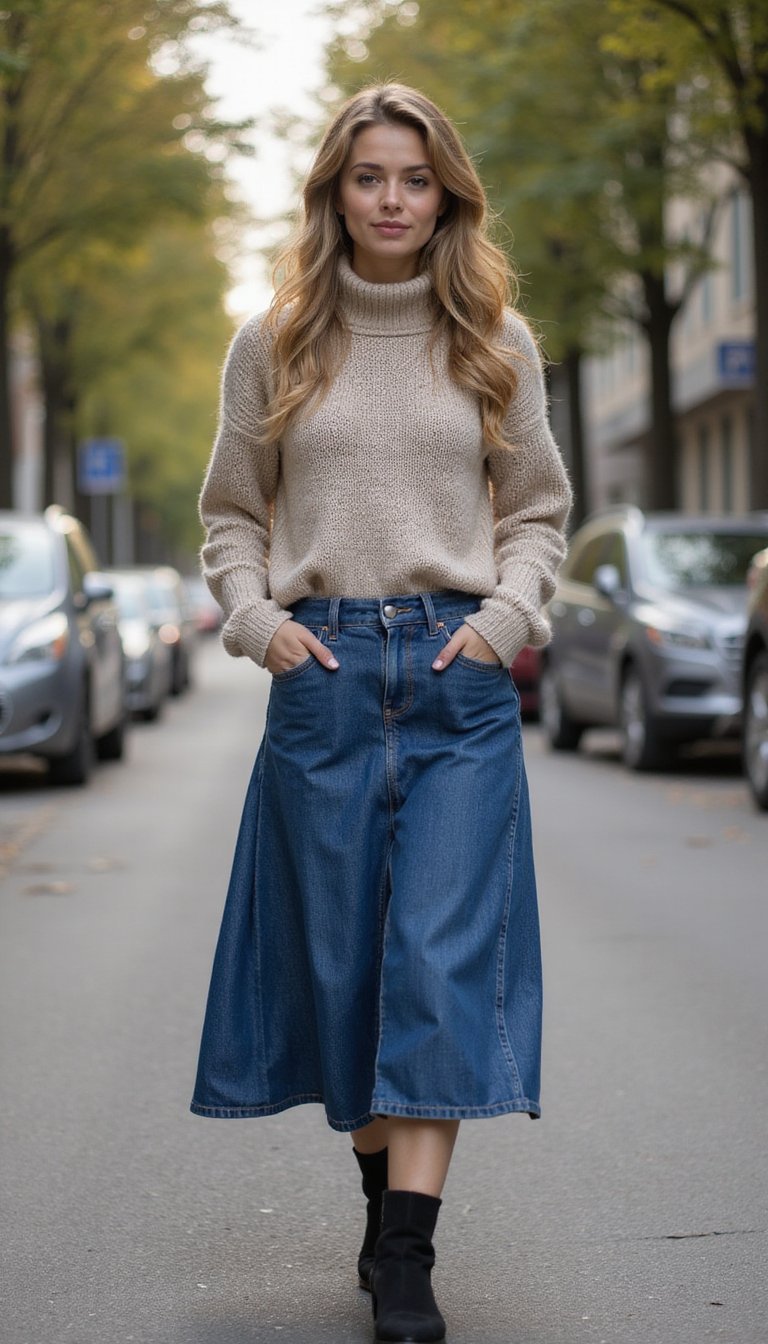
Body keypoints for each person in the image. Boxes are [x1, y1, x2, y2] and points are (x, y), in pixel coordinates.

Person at [190, 81, 572, 1344]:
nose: (394, 200)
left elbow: (536, 514)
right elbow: (232, 512)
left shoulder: (494, 341)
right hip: (329, 676)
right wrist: (260, 625)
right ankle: (380, 1204)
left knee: (437, 963)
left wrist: (503, 624)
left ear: (446, 193)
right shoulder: (280, 338)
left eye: (416, 179)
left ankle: (408, 1259)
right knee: (348, 967)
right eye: (371, 178)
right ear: (334, 192)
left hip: (460, 681)